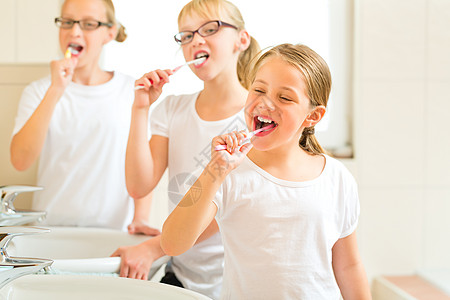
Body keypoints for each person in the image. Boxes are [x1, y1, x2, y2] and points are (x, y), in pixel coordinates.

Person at [161, 43, 372, 299]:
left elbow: (348, 266)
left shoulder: (337, 178)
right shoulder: (227, 172)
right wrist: (214, 171)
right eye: (259, 89)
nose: (265, 103)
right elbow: (173, 243)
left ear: (313, 116)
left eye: (284, 97)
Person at [111, 0, 260, 298]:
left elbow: (231, 207)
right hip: (180, 275)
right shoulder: (172, 110)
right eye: (187, 35)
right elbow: (139, 186)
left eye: (210, 29)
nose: (196, 40)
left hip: (236, 282)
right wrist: (141, 108)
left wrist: (154, 248)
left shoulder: (257, 119)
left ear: (241, 40)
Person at [9, 0, 158, 234]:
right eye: (67, 22)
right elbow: (20, 160)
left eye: (88, 24)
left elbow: (143, 165)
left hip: (112, 234)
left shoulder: (132, 91)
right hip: (49, 232)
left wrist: (141, 219)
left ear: (110, 32)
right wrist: (56, 89)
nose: (74, 31)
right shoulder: (38, 91)